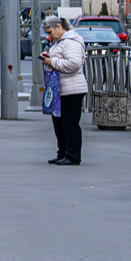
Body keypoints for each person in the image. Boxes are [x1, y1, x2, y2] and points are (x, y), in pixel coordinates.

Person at [40, 17, 89, 166]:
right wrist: (49, 57)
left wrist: (51, 61)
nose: (49, 36)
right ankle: (63, 153)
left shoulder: (71, 42)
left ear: (59, 27)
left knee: (70, 124)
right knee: (59, 123)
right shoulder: (60, 42)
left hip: (72, 89)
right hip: (62, 89)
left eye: (50, 32)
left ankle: (73, 155)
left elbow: (73, 64)